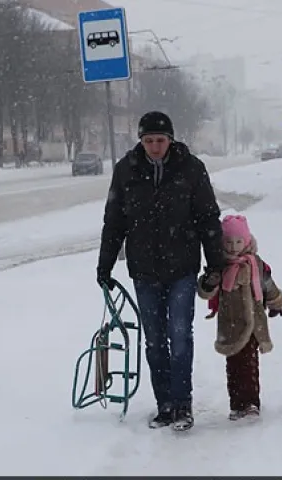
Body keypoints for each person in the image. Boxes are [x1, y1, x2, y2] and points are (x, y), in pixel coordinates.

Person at [96, 111, 225, 432]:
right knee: (154, 340)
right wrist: (105, 264)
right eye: (149, 140)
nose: (155, 146)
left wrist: (215, 266)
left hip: (182, 266)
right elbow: (114, 221)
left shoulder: (191, 169)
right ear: (141, 141)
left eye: (160, 140)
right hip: (144, 270)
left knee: (180, 336)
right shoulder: (126, 170)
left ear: (171, 140)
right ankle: (164, 404)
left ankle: (183, 403)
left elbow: (208, 219)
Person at [197, 215, 282, 421]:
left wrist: (275, 303)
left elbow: (268, 285)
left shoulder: (256, 263)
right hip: (230, 323)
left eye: (238, 242)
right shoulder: (219, 264)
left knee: (250, 363)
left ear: (246, 241)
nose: (234, 246)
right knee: (234, 364)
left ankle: (251, 402)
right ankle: (237, 404)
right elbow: (206, 291)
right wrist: (209, 282)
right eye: (229, 242)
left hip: (254, 321)